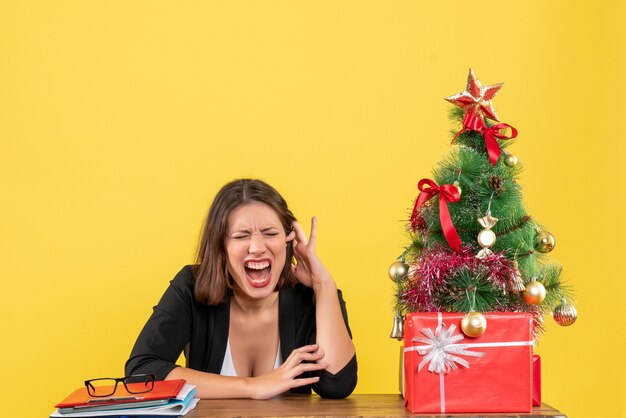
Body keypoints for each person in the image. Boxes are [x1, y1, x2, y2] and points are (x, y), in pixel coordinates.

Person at [125, 179, 357, 399]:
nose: (256, 247)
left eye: (270, 233)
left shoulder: (313, 296)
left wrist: (323, 285)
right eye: (241, 236)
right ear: (221, 248)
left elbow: (337, 385)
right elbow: (140, 374)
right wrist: (255, 386)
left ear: (288, 242)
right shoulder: (190, 286)